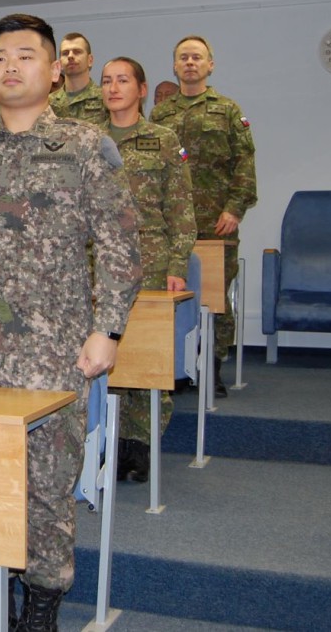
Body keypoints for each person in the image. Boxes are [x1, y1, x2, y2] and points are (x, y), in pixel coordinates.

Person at [0, 14, 140, 632]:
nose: (11, 66)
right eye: (0, 56)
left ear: (55, 70)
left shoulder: (86, 147)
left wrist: (108, 330)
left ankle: (41, 611)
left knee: (47, 491)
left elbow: (120, 246)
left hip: (55, 355)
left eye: (26, 55)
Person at [101, 57, 196, 482]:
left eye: (122, 80)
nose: (113, 87)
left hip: (150, 262)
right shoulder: (88, 139)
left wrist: (177, 264)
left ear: (141, 90)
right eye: (107, 81)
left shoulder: (163, 140)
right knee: (105, 356)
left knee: (147, 357)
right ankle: (109, 442)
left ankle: (140, 444)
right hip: (98, 263)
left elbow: (181, 209)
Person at [150, 36, 255, 396]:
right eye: (183, 58)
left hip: (215, 221)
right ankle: (174, 365)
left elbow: (244, 163)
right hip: (170, 224)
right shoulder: (161, 114)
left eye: (197, 57)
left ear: (210, 65)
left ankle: (213, 365)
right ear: (175, 66)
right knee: (171, 294)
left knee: (215, 298)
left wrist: (235, 208)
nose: (190, 63)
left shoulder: (227, 110)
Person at [49, 32, 107, 127]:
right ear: (60, 64)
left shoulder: (106, 99)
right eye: (65, 53)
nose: (70, 56)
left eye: (77, 52)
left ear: (90, 60)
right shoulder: (48, 103)